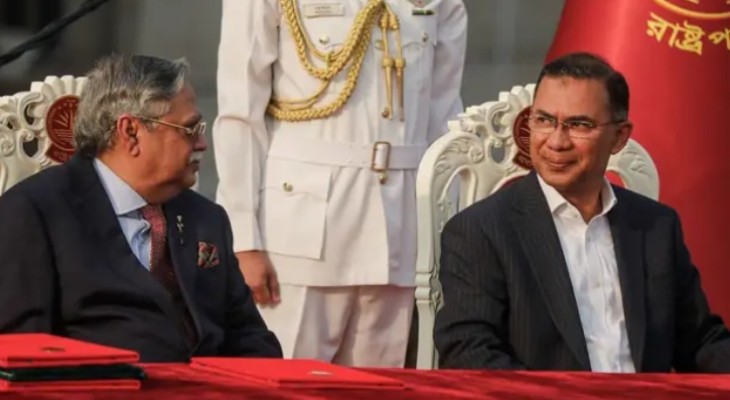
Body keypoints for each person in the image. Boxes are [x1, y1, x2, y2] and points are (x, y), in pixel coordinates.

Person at [434, 52, 730, 372]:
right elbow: (469, 351)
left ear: (619, 137)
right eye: (544, 120)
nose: (556, 142)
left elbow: (701, 342)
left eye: (579, 125)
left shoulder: (656, 226)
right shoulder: (481, 231)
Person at [213, 0, 467, 367]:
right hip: (301, 230)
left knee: (376, 385)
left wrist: (445, 233)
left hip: (398, 228)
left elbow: (444, 120)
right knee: (285, 376)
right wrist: (243, 240)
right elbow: (240, 115)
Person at [0, 54, 282, 362]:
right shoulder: (35, 213)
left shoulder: (207, 218)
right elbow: (21, 352)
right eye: (189, 129)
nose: (202, 143)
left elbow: (250, 339)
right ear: (131, 132)